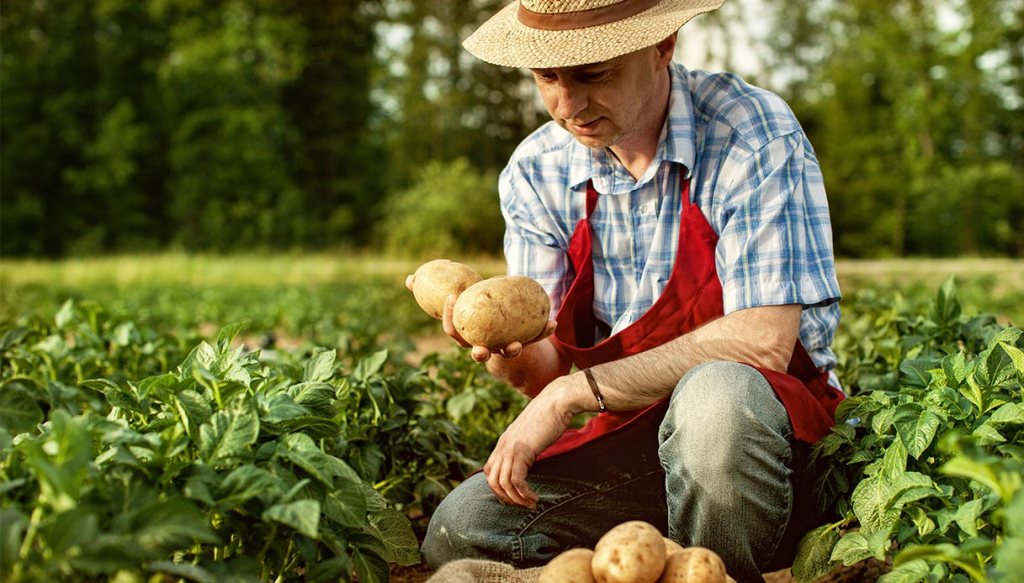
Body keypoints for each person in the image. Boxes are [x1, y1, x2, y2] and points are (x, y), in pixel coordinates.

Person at [411, 0, 846, 580]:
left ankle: (720, 569)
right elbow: (548, 368)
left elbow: (762, 342)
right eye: (548, 78)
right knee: (463, 529)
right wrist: (507, 354)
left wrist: (571, 394)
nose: (568, 106)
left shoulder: (751, 135)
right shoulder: (535, 171)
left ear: (662, 46)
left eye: (593, 74)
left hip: (765, 443)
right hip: (629, 442)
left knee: (715, 401)